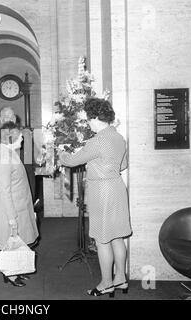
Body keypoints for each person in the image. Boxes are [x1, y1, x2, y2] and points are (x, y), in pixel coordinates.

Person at [58, 98, 132, 297]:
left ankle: (107, 283)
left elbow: (72, 161)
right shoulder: (118, 137)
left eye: (89, 119)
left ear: (97, 118)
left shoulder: (97, 140)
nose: (88, 123)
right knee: (117, 237)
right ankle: (121, 279)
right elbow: (123, 166)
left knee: (102, 240)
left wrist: (60, 153)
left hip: (102, 191)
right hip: (116, 187)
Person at [0, 122, 39, 287]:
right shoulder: (3, 157)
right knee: (9, 242)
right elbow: (4, 191)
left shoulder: (9, 153)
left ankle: (14, 271)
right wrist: (11, 218)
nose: (22, 139)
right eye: (20, 137)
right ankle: (9, 274)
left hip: (19, 204)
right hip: (10, 209)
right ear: (11, 138)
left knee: (19, 241)